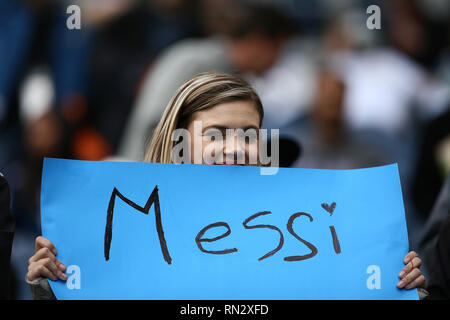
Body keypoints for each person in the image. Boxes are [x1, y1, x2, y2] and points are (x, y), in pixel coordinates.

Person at [26, 72, 426, 299]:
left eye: (249, 134)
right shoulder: (115, 224)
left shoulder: (307, 231)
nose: (236, 148)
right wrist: (50, 287)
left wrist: (402, 288)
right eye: (216, 134)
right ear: (178, 138)